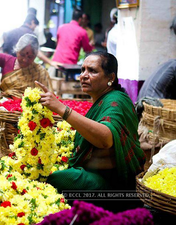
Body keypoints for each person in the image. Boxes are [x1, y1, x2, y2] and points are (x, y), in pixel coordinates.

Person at [35, 52, 145, 193]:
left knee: (54, 179)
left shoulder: (116, 100)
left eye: (92, 71)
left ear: (111, 77)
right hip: (92, 173)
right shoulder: (101, 100)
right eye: (83, 70)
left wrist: (62, 109)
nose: (83, 76)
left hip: (112, 183)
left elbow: (106, 140)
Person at [0, 33, 53, 99]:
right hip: (3, 111)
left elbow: (49, 97)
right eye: (22, 55)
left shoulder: (40, 72)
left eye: (30, 57)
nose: (25, 60)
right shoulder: (7, 60)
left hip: (30, 114)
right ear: (17, 51)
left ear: (36, 55)